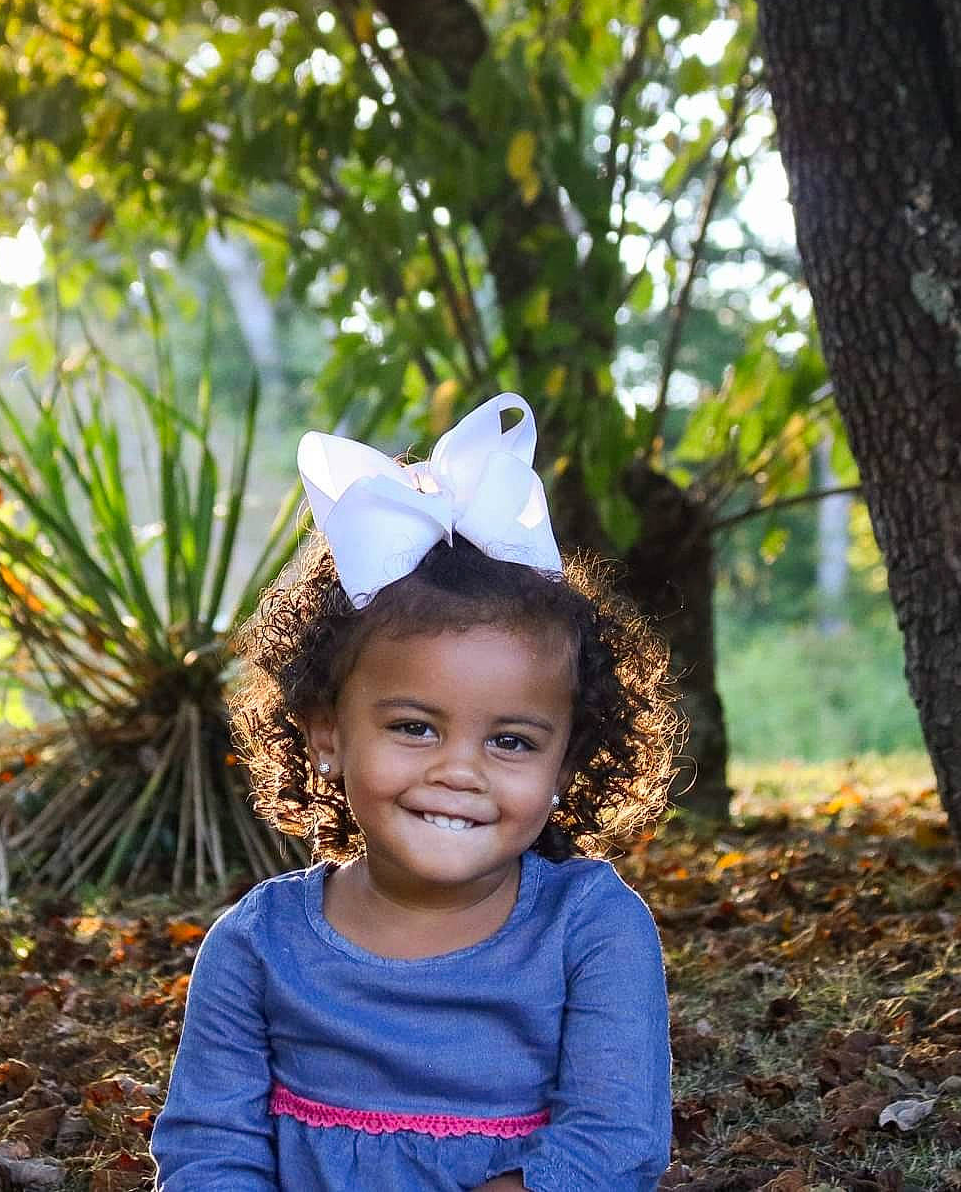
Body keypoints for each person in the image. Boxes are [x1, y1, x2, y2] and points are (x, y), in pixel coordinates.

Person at [150, 392, 681, 1191]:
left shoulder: (591, 928)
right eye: (415, 727)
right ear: (326, 730)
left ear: (566, 761)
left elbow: (613, 1144)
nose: (459, 771)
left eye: (511, 741)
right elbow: (209, 1155)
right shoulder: (258, 946)